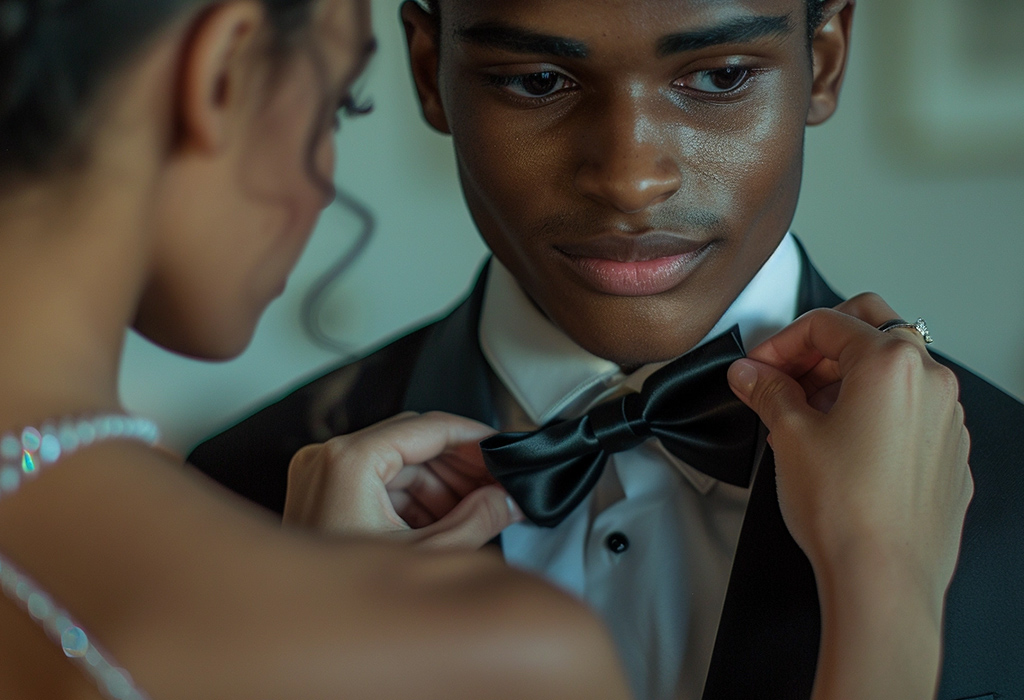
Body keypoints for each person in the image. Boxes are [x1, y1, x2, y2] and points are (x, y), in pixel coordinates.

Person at [189, 0, 1023, 699]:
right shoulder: (216, 512)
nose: (628, 179)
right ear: (427, 70)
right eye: (538, 81)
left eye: (721, 76)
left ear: (826, 59)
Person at [0, 1, 633, 698]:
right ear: (223, 73)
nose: (632, 182)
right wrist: (330, 600)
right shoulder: (500, 654)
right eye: (341, 105)